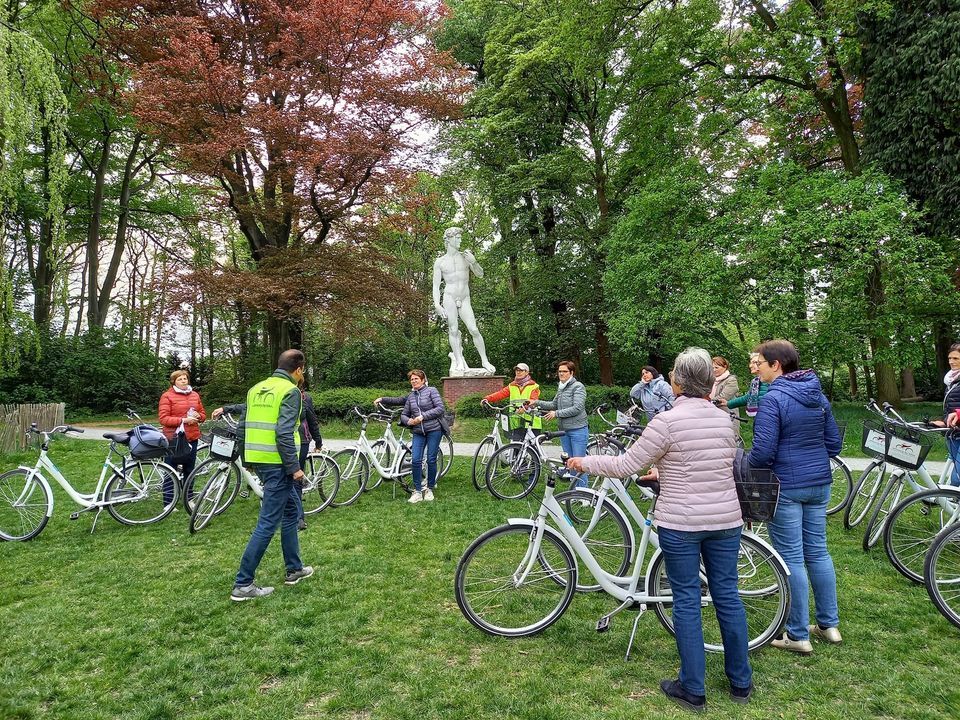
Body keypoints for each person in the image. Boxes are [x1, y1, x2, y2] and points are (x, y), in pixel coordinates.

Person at [568, 347, 751, 712]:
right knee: (727, 596)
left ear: (678, 381)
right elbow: (709, 462)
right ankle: (741, 681)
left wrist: (583, 461)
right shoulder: (722, 418)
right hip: (726, 519)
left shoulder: (667, 421)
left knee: (685, 600)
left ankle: (692, 687)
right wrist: (665, 469)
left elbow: (625, 464)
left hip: (682, 523)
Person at [748, 339, 842, 653]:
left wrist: (746, 463)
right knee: (817, 552)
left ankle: (797, 633)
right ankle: (829, 624)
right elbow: (835, 444)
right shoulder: (816, 394)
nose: (757, 368)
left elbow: (761, 453)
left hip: (786, 486)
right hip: (819, 483)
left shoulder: (774, 398)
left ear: (776, 365)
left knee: (791, 559)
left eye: (760, 362)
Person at [230, 350, 313, 601]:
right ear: (298, 370)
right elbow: (284, 432)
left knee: (289, 513)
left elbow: (242, 428)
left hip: (262, 461)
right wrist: (294, 468)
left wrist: (248, 460)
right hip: (279, 465)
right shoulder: (291, 392)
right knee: (267, 522)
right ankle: (243, 583)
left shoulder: (256, 389)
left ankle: (295, 569)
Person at [375, 370, 446, 504]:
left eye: (416, 379)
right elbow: (404, 414)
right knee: (415, 460)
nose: (413, 381)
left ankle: (429, 488)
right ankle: (417, 491)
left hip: (434, 430)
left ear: (423, 380)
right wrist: (408, 421)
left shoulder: (431, 391)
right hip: (418, 431)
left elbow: (440, 408)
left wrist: (422, 417)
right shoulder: (411, 396)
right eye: (412, 379)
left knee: (431, 459)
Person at [432, 227, 495, 374]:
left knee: (474, 329)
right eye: (457, 238)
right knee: (453, 330)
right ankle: (459, 360)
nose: (460, 240)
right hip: (449, 297)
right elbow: (435, 286)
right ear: (449, 240)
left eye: (460, 237)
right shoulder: (440, 261)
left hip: (464, 298)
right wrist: (437, 304)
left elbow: (480, 274)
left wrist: (474, 262)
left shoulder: (466, 257)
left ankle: (484, 360)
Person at [528, 360, 588, 487]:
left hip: (578, 430)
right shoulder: (561, 387)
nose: (561, 374)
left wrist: (557, 413)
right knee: (570, 462)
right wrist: (536, 402)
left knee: (579, 463)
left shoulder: (578, 387)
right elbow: (553, 404)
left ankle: (584, 495)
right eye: (560, 371)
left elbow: (577, 407)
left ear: (571, 373)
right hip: (564, 431)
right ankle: (574, 493)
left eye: (564, 371)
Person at [158, 369, 206, 504]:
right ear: (174, 382)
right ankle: (168, 503)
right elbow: (164, 419)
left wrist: (199, 416)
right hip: (174, 439)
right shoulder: (167, 396)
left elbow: (202, 414)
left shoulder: (195, 395)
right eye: (180, 379)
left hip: (192, 437)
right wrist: (183, 420)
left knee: (190, 470)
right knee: (170, 470)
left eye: (185, 378)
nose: (183, 381)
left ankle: (189, 498)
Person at [483, 362, 541, 440]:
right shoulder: (512, 386)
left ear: (527, 372)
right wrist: (487, 398)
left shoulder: (533, 386)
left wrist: (525, 408)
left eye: (521, 370)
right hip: (516, 422)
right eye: (517, 370)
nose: (518, 372)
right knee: (515, 448)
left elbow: (534, 400)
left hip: (532, 422)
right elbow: (500, 394)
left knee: (532, 448)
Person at [939, 343, 960, 486]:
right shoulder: (951, 380)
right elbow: (950, 406)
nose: (951, 362)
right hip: (954, 432)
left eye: (956, 358)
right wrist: (943, 420)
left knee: (956, 479)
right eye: (949, 358)